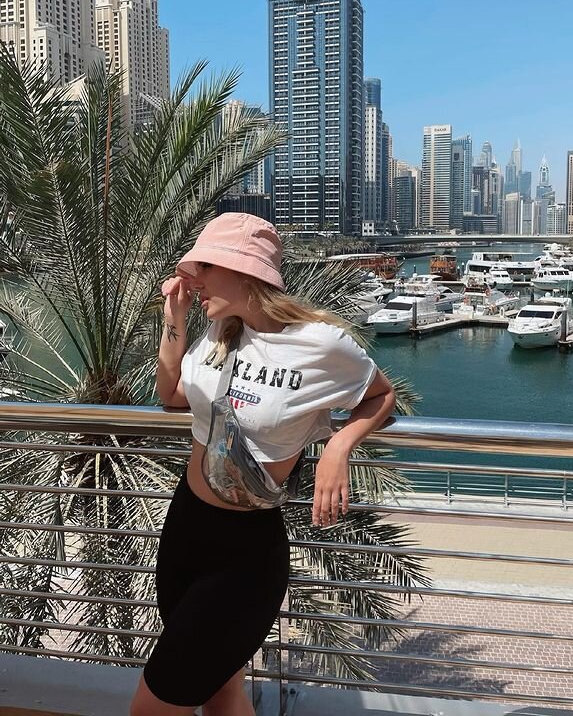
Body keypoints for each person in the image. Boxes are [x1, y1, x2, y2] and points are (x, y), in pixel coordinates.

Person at [130, 212, 396, 716]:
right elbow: (170, 395)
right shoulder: (220, 331)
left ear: (243, 271)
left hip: (244, 553)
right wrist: (174, 317)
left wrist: (339, 446)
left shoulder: (320, 343)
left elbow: (382, 396)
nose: (194, 279)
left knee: (152, 708)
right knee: (221, 692)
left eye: (205, 267)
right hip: (185, 528)